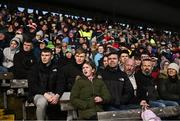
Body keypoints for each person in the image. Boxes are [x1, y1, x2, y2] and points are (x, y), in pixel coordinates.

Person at [28, 48, 64, 120]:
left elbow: (61, 83)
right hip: (38, 94)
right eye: (42, 55)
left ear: (52, 56)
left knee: (68, 99)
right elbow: (33, 85)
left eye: (47, 55)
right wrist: (45, 94)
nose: (44, 57)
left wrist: (57, 95)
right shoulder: (35, 67)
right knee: (42, 102)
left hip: (53, 94)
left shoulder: (57, 67)